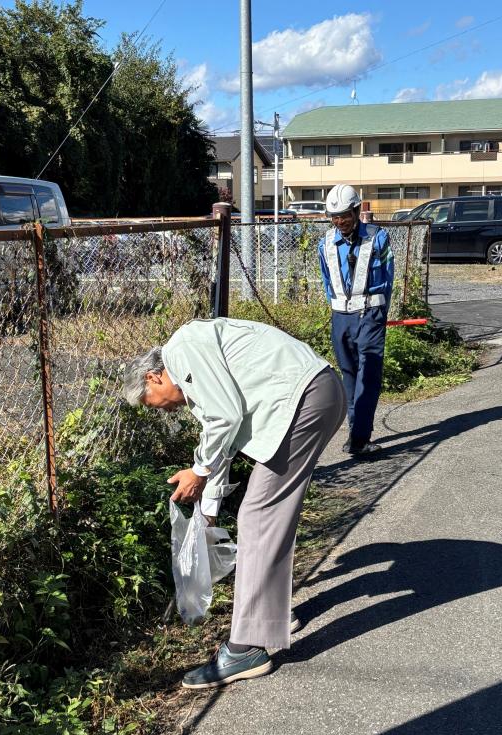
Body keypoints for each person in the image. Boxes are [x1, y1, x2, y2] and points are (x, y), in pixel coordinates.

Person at [122, 317, 346, 689]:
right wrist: (208, 510)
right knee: (267, 517)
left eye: (153, 405)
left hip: (304, 400)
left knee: (259, 517)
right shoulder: (192, 363)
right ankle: (267, 619)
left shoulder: (182, 349)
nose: (162, 411)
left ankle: (245, 648)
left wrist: (198, 470)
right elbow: (223, 436)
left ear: (153, 378)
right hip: (314, 396)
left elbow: (224, 418)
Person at [318, 184, 394, 457]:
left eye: (345, 216)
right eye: (334, 217)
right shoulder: (325, 243)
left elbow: (388, 277)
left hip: (370, 314)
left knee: (369, 375)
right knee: (348, 376)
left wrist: (379, 313)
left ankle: (360, 437)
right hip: (340, 317)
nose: (340, 222)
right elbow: (327, 281)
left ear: (357, 211)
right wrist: (337, 309)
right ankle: (355, 433)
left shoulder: (378, 238)